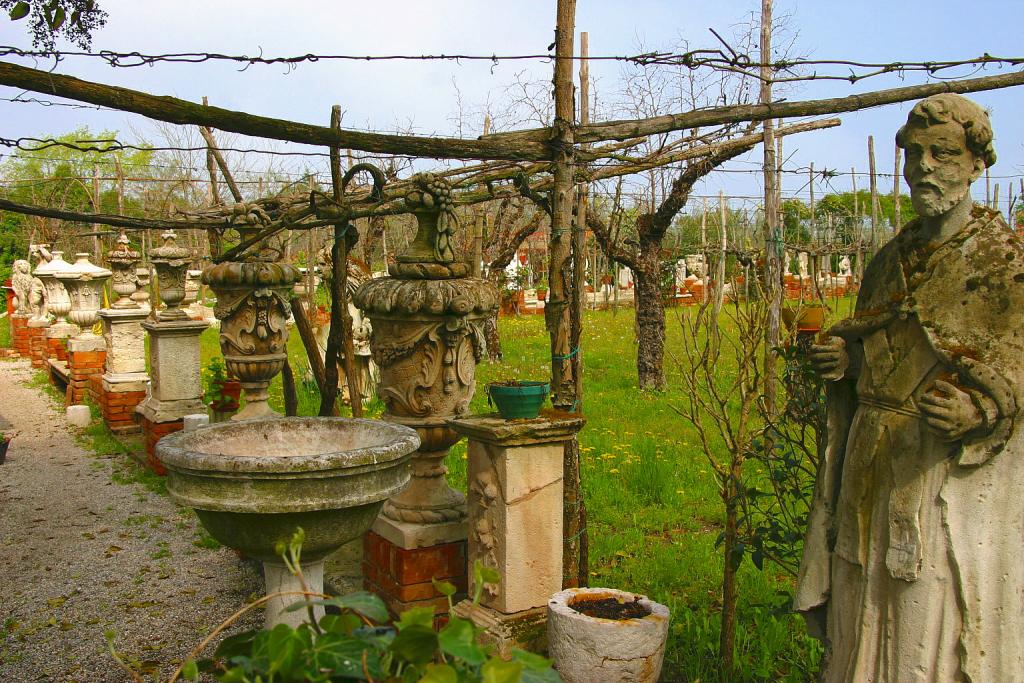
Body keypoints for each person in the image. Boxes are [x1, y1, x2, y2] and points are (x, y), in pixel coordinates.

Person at [796, 93, 1024, 681]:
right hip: (870, 465)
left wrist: (980, 409)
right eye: (915, 153)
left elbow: (1015, 373)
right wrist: (843, 364)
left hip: (938, 475)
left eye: (943, 153)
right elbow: (873, 343)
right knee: (858, 613)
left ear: (977, 163)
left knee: (925, 614)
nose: (924, 165)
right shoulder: (887, 262)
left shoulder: (1003, 264)